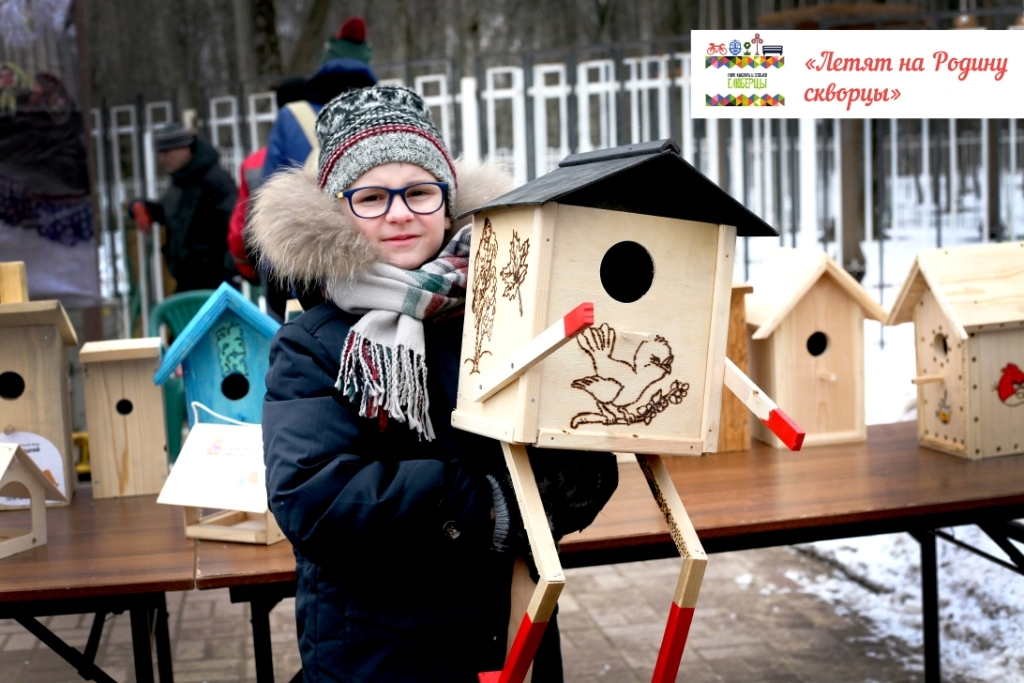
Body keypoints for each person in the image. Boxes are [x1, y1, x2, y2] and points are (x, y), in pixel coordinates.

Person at [249, 86, 618, 681]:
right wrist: (487, 505)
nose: (399, 213)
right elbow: (314, 497)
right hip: (382, 651)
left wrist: (574, 478)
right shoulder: (313, 344)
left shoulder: (507, 312)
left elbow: (572, 444)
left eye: (419, 192)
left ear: (448, 203)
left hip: (511, 629)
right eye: (371, 197)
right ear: (338, 214)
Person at [259, 58, 376, 317]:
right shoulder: (379, 113)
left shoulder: (291, 116)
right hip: (371, 251)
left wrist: (273, 264)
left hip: (308, 253)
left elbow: (271, 189)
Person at [130, 123, 236, 292]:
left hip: (216, 281)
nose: (161, 160)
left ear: (185, 148)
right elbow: (168, 213)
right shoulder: (180, 181)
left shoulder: (216, 181)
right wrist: (139, 206)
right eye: (159, 153)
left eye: (166, 152)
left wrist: (230, 272)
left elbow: (234, 225)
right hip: (186, 279)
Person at [226, 76, 306, 290]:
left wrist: (251, 272)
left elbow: (240, 229)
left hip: (275, 271)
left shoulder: (254, 164)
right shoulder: (332, 153)